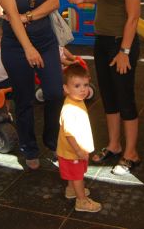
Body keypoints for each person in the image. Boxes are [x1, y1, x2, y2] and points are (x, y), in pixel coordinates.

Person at [67, 0, 142, 175]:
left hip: (121, 44)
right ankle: (114, 145)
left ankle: (131, 152)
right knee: (109, 97)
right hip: (102, 40)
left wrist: (125, 51)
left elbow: (133, 16)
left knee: (125, 98)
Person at [0, 0, 63, 170]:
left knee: (55, 93)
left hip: (45, 40)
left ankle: (51, 140)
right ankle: (29, 147)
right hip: (17, 46)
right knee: (23, 100)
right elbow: (11, 15)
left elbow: (54, 1)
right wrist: (27, 47)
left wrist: (29, 16)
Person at [57, 64, 101, 212]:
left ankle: (71, 190)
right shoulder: (70, 109)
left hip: (71, 151)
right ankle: (81, 201)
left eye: (85, 85)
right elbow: (69, 134)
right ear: (66, 88)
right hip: (73, 152)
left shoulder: (76, 100)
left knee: (73, 174)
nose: (83, 89)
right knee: (77, 176)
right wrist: (78, 151)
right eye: (77, 85)